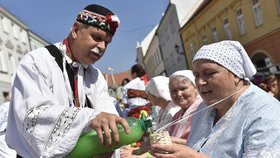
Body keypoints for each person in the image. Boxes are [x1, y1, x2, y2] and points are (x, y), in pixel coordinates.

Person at [5, 4, 130, 157]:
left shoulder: (96, 77)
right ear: (76, 30)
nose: (102, 47)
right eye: (97, 38)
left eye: (107, 42)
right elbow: (33, 116)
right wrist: (88, 118)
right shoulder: (37, 61)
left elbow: (109, 120)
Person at [151, 40, 280, 157]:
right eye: (196, 75)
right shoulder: (205, 107)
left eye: (209, 73)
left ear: (235, 74)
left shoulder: (266, 113)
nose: (200, 82)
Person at [120, 76, 180, 158]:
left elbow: (165, 144)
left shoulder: (172, 112)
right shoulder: (161, 110)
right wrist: (137, 150)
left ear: (156, 94)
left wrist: (138, 155)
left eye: (148, 95)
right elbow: (155, 136)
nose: (147, 98)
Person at [167, 70, 202, 143]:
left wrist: (176, 141)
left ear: (195, 88)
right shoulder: (177, 115)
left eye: (183, 88)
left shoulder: (203, 109)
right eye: (174, 91)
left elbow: (203, 143)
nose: (179, 94)